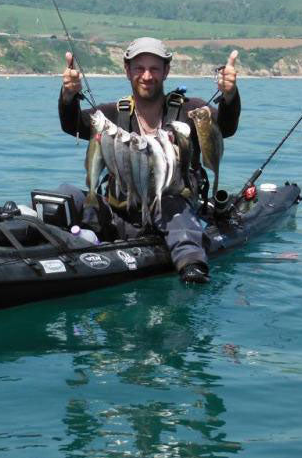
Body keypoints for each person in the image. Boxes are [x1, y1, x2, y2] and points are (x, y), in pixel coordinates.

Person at [57, 37, 240, 283]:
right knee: (68, 194)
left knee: (171, 207)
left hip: (172, 212)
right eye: (139, 68)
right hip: (119, 212)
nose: (146, 75)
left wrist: (229, 96)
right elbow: (73, 124)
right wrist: (68, 96)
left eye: (154, 68)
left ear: (166, 71)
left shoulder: (191, 110)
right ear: (127, 70)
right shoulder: (111, 114)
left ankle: (191, 264)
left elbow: (225, 128)